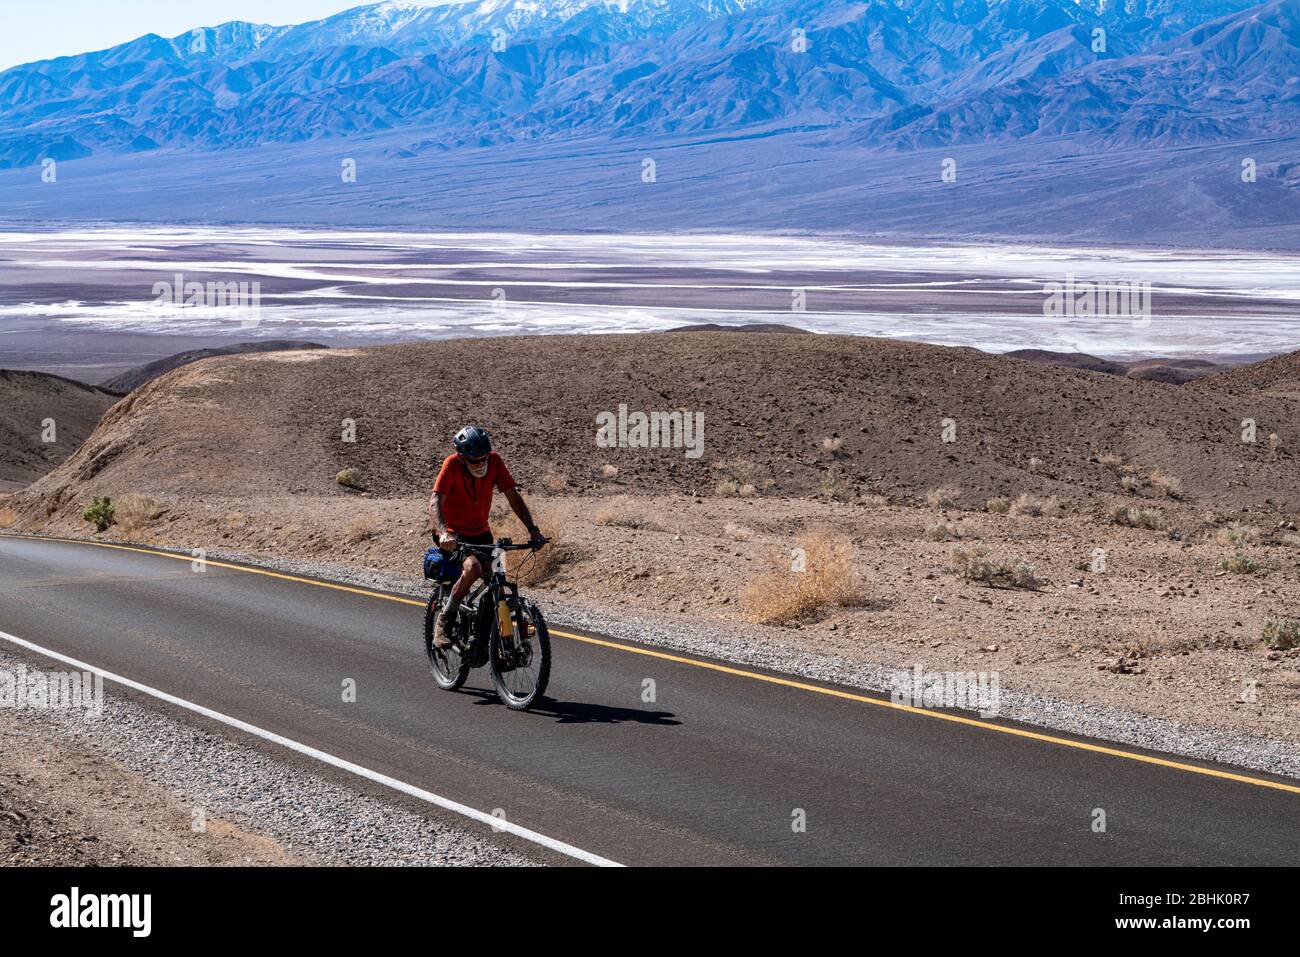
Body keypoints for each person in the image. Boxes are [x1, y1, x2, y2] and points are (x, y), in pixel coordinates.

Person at [428, 425, 545, 648]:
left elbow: (513, 497)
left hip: (481, 532)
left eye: (484, 459)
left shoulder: (495, 462)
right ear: (462, 458)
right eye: (475, 460)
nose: (481, 464)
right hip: (453, 534)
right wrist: (444, 533)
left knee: (497, 575)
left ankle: (500, 638)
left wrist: (533, 529)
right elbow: (435, 502)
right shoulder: (452, 464)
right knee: (473, 568)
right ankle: (445, 618)